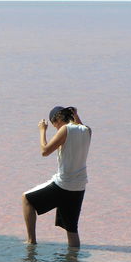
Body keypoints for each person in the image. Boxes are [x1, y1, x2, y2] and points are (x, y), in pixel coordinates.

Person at [22, 106, 91, 248]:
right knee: (72, 230)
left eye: (54, 125)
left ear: (58, 120)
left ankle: (31, 241)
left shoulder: (65, 130)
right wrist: (76, 115)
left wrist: (42, 131)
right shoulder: (87, 131)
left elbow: (45, 151)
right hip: (79, 186)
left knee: (26, 199)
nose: (56, 129)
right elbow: (80, 126)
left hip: (63, 184)